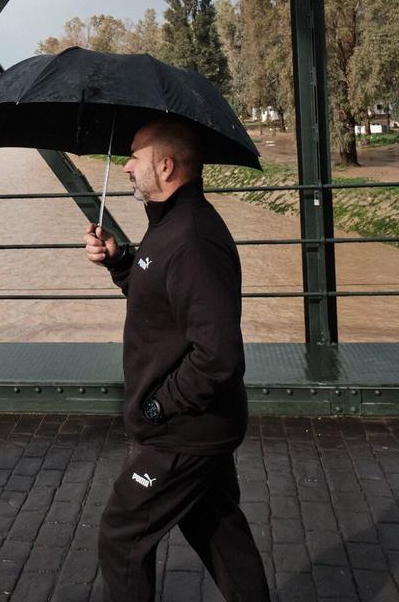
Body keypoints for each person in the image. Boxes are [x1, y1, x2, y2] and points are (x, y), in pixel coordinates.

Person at [84, 116, 270, 601]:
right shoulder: (169, 228)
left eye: (136, 158)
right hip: (198, 427)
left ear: (166, 167)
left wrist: (157, 406)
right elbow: (159, 298)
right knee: (219, 533)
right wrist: (120, 260)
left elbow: (218, 356)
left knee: (121, 537)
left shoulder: (191, 240)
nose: (125, 168)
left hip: (182, 431)